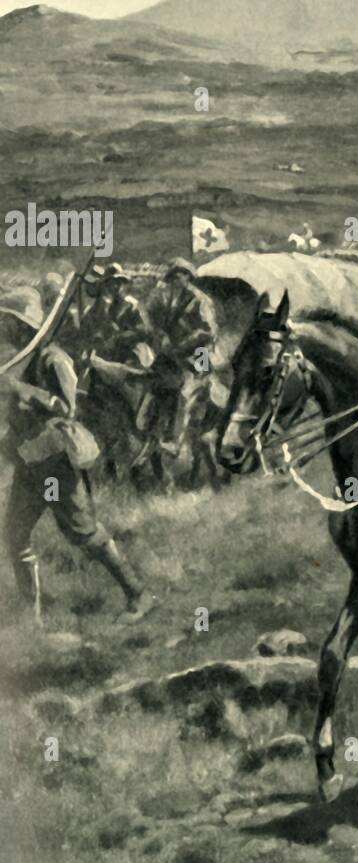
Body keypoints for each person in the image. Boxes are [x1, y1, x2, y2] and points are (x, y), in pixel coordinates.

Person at [1, 293, 155, 623]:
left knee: (83, 532)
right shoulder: (19, 359)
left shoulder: (52, 359)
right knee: (15, 535)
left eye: (10, 321)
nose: (5, 326)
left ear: (25, 325)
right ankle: (32, 615)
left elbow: (67, 408)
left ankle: (138, 594)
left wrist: (22, 390)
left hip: (55, 461)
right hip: (30, 462)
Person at [147, 259, 218, 454]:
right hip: (173, 352)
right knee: (155, 384)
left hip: (199, 351)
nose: (177, 279)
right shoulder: (168, 297)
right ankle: (153, 432)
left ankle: (176, 441)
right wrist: (163, 341)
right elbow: (159, 325)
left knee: (190, 392)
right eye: (174, 276)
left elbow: (207, 331)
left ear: (188, 277)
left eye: (181, 275)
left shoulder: (199, 300)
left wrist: (183, 345)